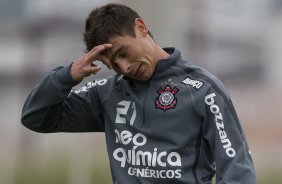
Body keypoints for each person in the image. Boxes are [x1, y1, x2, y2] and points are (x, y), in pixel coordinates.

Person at [21, 3, 256, 184]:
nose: (124, 67)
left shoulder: (203, 89)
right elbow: (36, 118)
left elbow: (237, 168)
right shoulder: (108, 93)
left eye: (124, 52)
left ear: (141, 28)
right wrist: (67, 76)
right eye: (113, 64)